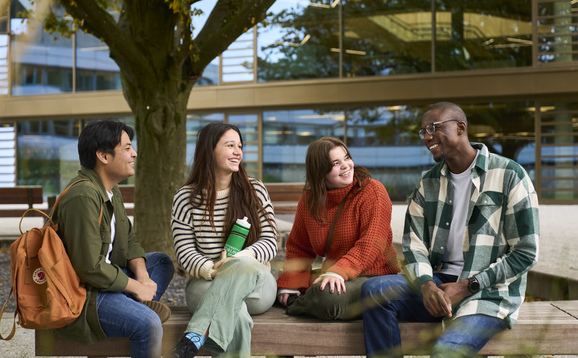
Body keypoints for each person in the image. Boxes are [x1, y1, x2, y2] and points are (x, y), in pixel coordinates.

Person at [361, 102, 540, 358]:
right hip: (440, 284)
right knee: (375, 291)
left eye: (433, 127)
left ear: (460, 128)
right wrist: (426, 286)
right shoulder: (427, 183)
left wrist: (468, 286)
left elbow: (526, 252)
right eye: (423, 132)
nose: (427, 137)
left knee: (446, 352)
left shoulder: (510, 175)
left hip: (488, 294)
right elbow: (414, 246)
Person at [51, 119, 175, 358]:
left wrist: (143, 278)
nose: (134, 153)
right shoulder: (84, 196)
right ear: (103, 156)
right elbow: (89, 268)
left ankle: (130, 303)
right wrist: (137, 287)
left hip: (107, 281)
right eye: (127, 148)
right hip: (85, 295)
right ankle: (134, 308)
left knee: (161, 262)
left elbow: (129, 240)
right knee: (148, 324)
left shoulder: (110, 188)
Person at [170, 122, 278, 358]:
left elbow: (270, 242)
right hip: (206, 283)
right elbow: (184, 252)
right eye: (230, 145)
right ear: (209, 151)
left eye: (239, 146)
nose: (238, 151)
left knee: (244, 264)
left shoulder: (255, 190)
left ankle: (196, 334)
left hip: (256, 286)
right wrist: (211, 269)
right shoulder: (186, 198)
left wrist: (236, 260)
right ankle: (197, 335)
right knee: (235, 315)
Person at [276, 136, 400, 320]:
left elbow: (372, 243)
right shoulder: (309, 200)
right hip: (336, 274)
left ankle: (298, 305)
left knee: (327, 297)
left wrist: (337, 272)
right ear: (320, 173)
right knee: (275, 288)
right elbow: (299, 247)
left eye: (347, 157)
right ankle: (304, 298)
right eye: (335, 163)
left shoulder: (372, 190)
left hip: (374, 276)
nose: (346, 165)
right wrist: (290, 284)